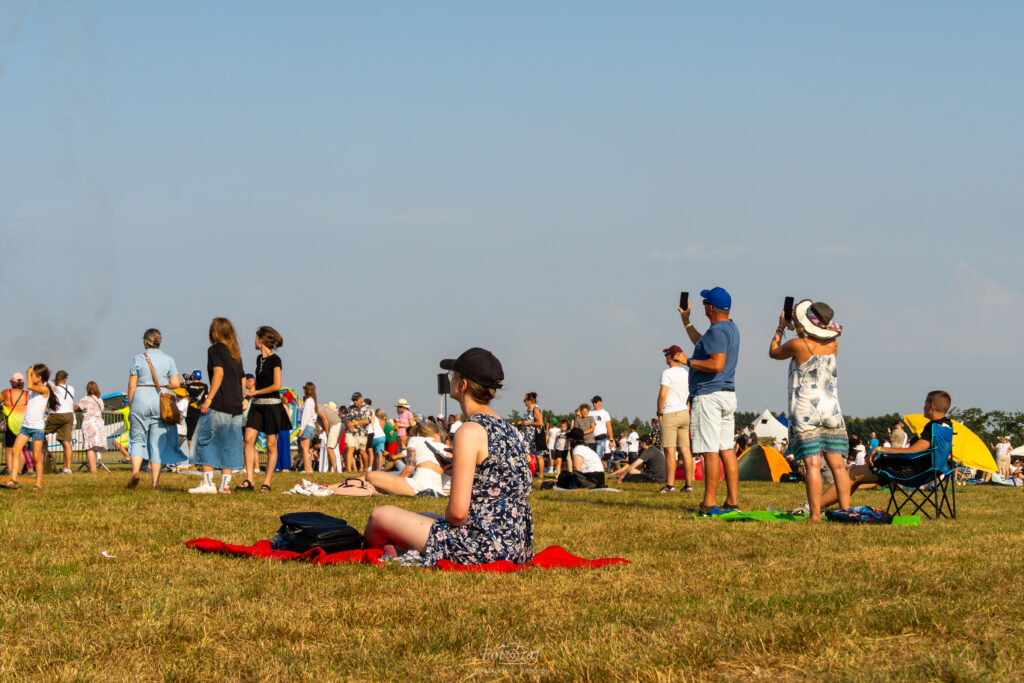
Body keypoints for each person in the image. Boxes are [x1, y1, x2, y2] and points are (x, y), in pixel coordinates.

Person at [363, 347, 533, 566]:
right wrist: (460, 469)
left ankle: (376, 554)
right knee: (423, 515)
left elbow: (457, 515)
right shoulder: (508, 429)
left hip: (482, 546)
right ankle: (397, 550)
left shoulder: (469, 430)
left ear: (463, 385)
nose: (450, 380)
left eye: (453, 376)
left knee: (379, 516)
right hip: (516, 543)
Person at [769, 299, 852, 521]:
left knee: (812, 464)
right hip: (831, 407)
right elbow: (815, 343)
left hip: (806, 409)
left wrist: (780, 328)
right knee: (838, 465)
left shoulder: (797, 345)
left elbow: (774, 351)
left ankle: (815, 515)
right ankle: (846, 511)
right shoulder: (834, 343)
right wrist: (799, 326)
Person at [820, 391, 954, 508]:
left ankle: (815, 506)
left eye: (925, 403)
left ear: (931, 406)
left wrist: (880, 449)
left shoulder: (934, 427)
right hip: (929, 471)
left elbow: (913, 451)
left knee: (850, 472)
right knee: (853, 473)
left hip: (912, 473)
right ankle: (822, 506)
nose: (923, 406)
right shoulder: (947, 426)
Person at [674, 287, 741, 513]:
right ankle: (732, 500)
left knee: (709, 450)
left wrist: (687, 361)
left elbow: (716, 363)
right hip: (727, 394)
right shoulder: (730, 328)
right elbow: (703, 345)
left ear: (710, 308)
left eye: (704, 303)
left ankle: (709, 502)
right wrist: (686, 322)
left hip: (709, 396)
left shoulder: (716, 331)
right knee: (727, 449)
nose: (703, 306)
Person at [188, 318, 246, 494]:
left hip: (220, 403)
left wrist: (208, 399)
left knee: (205, 441)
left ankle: (208, 483)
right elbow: (242, 379)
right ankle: (225, 486)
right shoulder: (235, 353)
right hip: (236, 406)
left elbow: (218, 374)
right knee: (229, 445)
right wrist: (241, 398)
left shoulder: (214, 350)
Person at [126, 329, 188, 490]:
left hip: (140, 398)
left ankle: (135, 472)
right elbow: (176, 383)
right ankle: (155, 483)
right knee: (156, 444)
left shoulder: (138, 358)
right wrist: (165, 385)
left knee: (137, 439)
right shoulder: (169, 359)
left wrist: (131, 406)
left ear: (145, 342)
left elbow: (132, 385)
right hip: (160, 401)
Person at [241, 326, 290, 491]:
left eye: (256, 338)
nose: (254, 341)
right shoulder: (258, 359)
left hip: (272, 406)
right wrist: (248, 398)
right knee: (248, 439)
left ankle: (267, 482)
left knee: (271, 445)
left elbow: (277, 385)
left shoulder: (276, 360)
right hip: (257, 405)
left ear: (261, 340)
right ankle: (249, 479)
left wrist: (255, 392)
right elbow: (258, 385)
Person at [4, 364, 54, 489]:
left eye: (33, 375)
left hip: (37, 428)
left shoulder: (44, 389)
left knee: (36, 457)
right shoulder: (33, 390)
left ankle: (38, 483)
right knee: (15, 450)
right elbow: (30, 386)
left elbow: (29, 385)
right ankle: (13, 479)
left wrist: (28, 372)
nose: (31, 378)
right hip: (25, 427)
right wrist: (30, 372)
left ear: (39, 377)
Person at [363, 423, 449, 496]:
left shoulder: (415, 439)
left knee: (370, 475)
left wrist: (396, 485)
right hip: (437, 488)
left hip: (417, 486)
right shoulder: (444, 447)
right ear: (436, 433)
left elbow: (409, 468)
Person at [656, 344, 693, 494]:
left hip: (670, 413)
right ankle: (688, 485)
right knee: (685, 450)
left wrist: (659, 413)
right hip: (684, 413)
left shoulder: (667, 373)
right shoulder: (686, 373)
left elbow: (663, 394)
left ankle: (670, 485)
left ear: (671, 357)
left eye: (666, 355)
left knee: (670, 450)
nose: (665, 358)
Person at [45, 370, 75, 474]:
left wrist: (53, 382)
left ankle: (41, 458)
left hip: (57, 414)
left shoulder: (53, 388)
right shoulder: (71, 388)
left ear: (56, 379)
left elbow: (47, 384)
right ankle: (67, 468)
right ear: (65, 379)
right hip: (69, 415)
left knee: (39, 432)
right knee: (66, 442)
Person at [76, 382, 106, 474]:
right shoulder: (100, 400)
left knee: (89, 447)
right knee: (95, 446)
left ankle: (93, 469)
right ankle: (94, 467)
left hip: (89, 423)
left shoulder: (85, 399)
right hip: (99, 423)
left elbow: (77, 407)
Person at [2, 372, 28, 476]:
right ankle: (19, 471)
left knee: (10, 448)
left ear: (11, 382)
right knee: (22, 448)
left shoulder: (6, 393)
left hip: (11, 423)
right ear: (23, 383)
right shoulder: (27, 394)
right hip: (24, 423)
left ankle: (10, 470)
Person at [517, 392, 546, 478]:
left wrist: (528, 423)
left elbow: (540, 423)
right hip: (527, 436)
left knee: (539, 456)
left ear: (530, 400)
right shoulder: (528, 410)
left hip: (535, 436)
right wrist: (522, 423)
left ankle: (541, 475)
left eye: (525, 400)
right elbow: (528, 422)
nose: (524, 401)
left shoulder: (535, 409)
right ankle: (530, 471)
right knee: (523, 452)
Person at [345, 392, 373, 471]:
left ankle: (365, 467)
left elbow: (367, 421)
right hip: (351, 432)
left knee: (362, 451)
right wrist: (349, 424)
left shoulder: (367, 408)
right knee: (350, 448)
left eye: (356, 400)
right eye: (353, 400)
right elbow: (347, 419)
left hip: (362, 433)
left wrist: (355, 423)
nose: (355, 402)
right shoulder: (350, 408)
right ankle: (348, 470)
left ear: (361, 399)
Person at [184, 370, 208, 448]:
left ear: (193, 376)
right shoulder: (205, 386)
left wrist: (185, 380)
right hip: (201, 412)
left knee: (190, 435)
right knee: (200, 434)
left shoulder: (188, 386)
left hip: (190, 412)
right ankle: (199, 451)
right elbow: (206, 398)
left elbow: (183, 392)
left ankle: (191, 452)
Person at [297, 382, 318, 473]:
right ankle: (308, 468)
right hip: (311, 425)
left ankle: (307, 469)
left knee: (305, 448)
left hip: (307, 426)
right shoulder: (312, 400)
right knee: (305, 448)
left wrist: (301, 429)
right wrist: (299, 405)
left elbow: (305, 415)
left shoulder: (308, 401)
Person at [317, 401, 343, 473]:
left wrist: (326, 431)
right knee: (330, 449)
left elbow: (324, 419)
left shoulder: (318, 410)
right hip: (337, 426)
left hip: (335, 426)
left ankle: (334, 470)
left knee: (329, 448)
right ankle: (330, 469)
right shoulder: (322, 408)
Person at [590, 396, 614, 466]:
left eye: (595, 402)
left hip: (601, 438)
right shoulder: (590, 413)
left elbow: (609, 427)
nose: (594, 403)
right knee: (591, 456)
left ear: (600, 403)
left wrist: (611, 439)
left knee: (598, 456)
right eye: (593, 402)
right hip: (591, 438)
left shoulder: (605, 413)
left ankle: (597, 469)